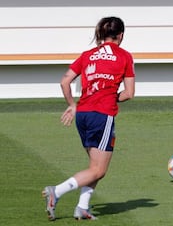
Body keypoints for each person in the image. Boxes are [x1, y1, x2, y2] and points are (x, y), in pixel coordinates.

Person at [42, 16, 135, 220]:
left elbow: (65, 81)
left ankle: (83, 207)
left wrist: (72, 105)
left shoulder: (87, 55)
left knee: (94, 167)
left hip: (82, 114)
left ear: (101, 34)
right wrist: (110, 95)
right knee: (99, 169)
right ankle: (56, 192)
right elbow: (129, 93)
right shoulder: (125, 56)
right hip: (102, 115)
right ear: (121, 35)